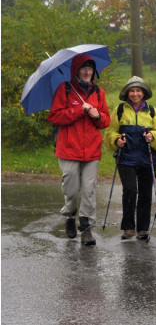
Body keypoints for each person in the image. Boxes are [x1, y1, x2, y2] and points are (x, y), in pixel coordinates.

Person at [48, 53, 110, 246]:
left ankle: (86, 228)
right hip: (68, 149)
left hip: (91, 150)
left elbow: (105, 121)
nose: (87, 71)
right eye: (83, 68)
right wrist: (78, 110)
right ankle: (69, 215)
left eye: (90, 68)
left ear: (94, 72)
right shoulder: (64, 90)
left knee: (89, 190)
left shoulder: (99, 93)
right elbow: (55, 117)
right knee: (72, 189)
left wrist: (96, 114)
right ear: (76, 71)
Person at [105, 76, 156, 240]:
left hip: (147, 157)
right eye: (132, 90)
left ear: (143, 93)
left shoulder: (152, 111)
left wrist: (152, 136)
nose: (135, 94)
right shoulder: (120, 110)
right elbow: (110, 132)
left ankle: (143, 228)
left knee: (145, 193)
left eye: (138, 90)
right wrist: (117, 140)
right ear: (127, 93)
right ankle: (128, 227)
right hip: (126, 158)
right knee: (130, 190)